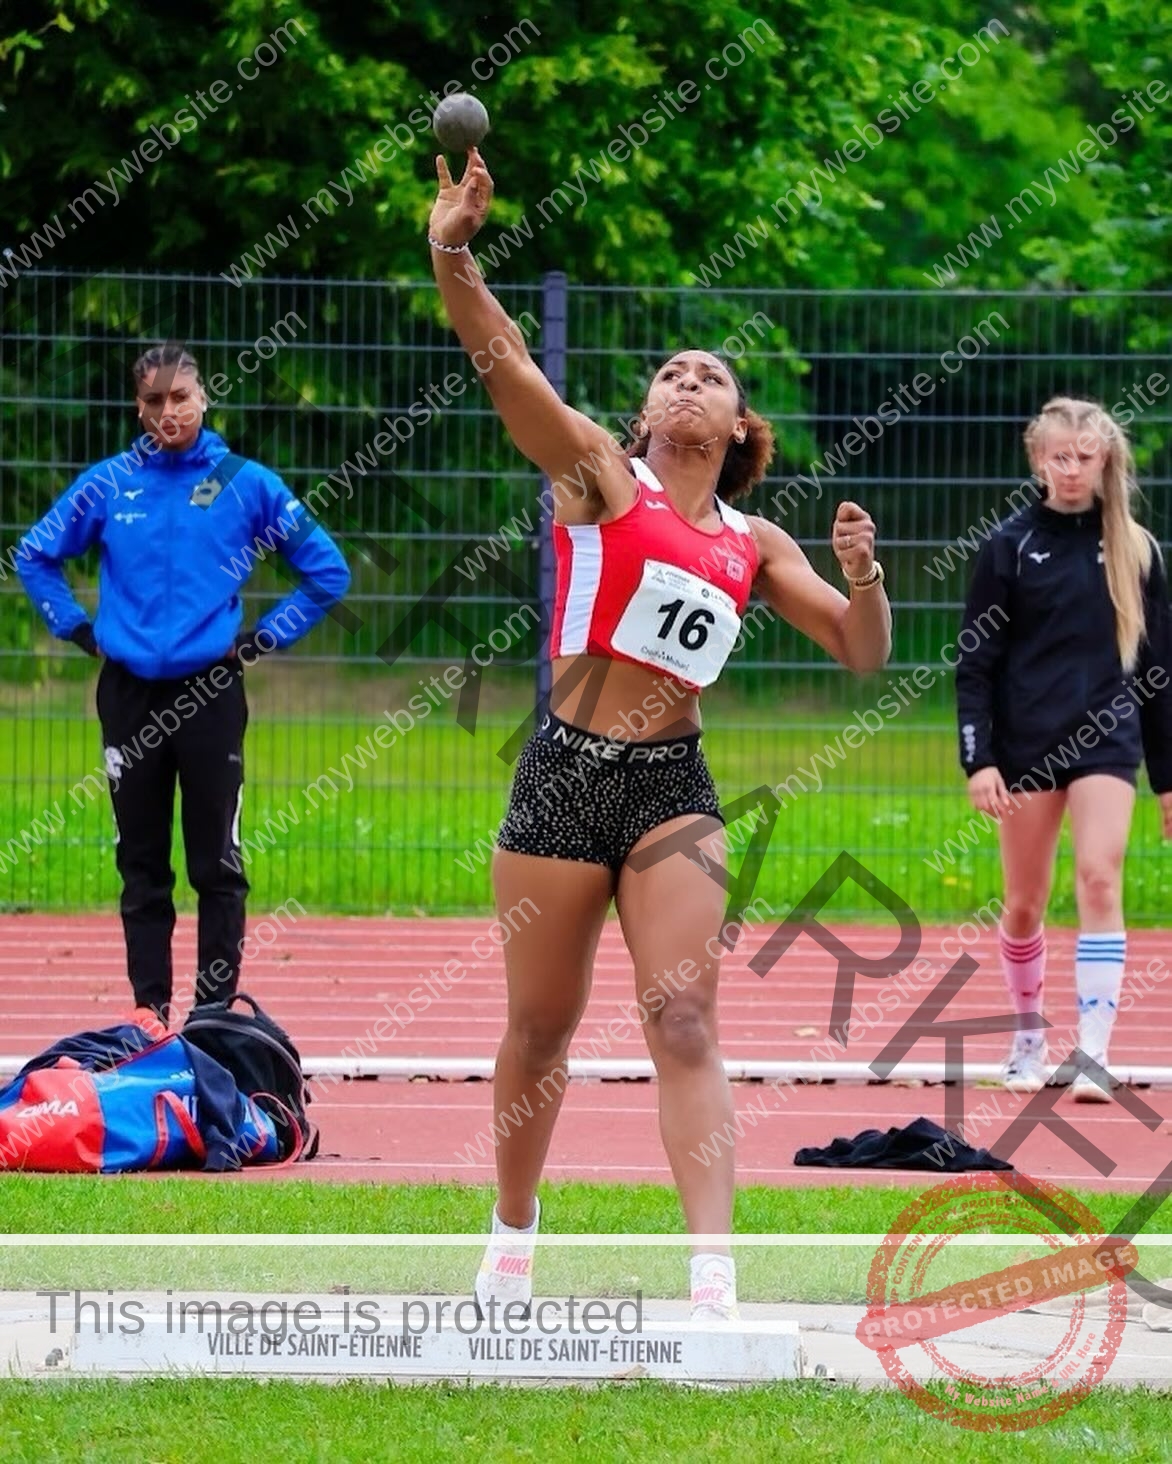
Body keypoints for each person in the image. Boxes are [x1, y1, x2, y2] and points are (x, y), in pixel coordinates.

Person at [428, 150, 892, 1321]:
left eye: (711, 377)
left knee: (682, 1016)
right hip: (562, 774)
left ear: (740, 425)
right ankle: (512, 1239)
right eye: (672, 373)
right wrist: (452, 253)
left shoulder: (755, 542)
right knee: (539, 1026)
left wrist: (866, 578)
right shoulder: (599, 478)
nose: (688, 382)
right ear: (643, 413)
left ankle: (711, 1277)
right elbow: (507, 367)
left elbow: (860, 653)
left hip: (669, 791)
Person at [17, 344, 351, 1028]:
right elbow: (35, 554)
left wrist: (264, 637)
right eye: (153, 400)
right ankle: (148, 1011)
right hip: (128, 694)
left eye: (180, 397)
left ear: (204, 398)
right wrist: (77, 629)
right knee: (141, 864)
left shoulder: (247, 483)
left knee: (217, 863)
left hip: (211, 695)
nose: (168, 411)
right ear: (137, 407)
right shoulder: (108, 484)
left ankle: (212, 1013)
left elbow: (327, 572)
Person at [955, 396, 1172, 1101]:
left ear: (1104, 461)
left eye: (1084, 456)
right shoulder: (1008, 546)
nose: (1072, 469)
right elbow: (976, 662)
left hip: (1109, 738)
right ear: (1037, 460)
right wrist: (979, 757)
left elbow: (1160, 673)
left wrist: (1168, 780)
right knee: (1023, 902)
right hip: (1026, 746)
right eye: (1059, 456)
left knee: (1101, 881)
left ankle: (1093, 1052)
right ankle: (1027, 1039)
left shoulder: (1137, 549)